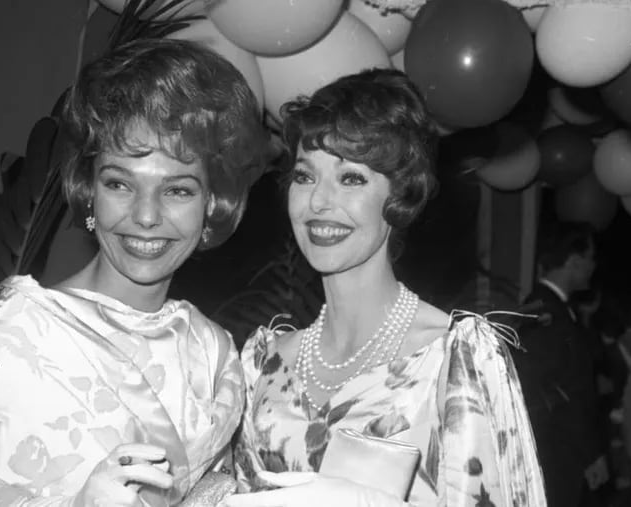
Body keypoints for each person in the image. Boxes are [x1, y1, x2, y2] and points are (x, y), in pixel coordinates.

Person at [0, 38, 268, 506]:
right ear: (89, 191)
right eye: (119, 184)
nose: (145, 216)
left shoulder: (210, 349)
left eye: (178, 191)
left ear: (211, 203)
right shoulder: (23, 331)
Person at [225, 68, 546, 507]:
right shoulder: (263, 363)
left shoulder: (451, 360)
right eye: (304, 176)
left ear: (401, 195)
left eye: (351, 179)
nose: (318, 201)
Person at [512, 221, 608, 507]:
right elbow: (559, 393)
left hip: (559, 451)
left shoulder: (554, 308)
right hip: (554, 453)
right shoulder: (545, 313)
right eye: (590, 258)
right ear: (574, 260)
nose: (593, 266)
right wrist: (589, 453)